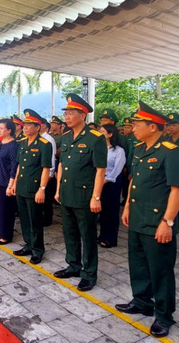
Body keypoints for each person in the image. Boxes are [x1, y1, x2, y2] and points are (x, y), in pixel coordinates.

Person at [116, 101, 179, 338]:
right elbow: (134, 181)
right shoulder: (139, 148)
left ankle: (164, 315)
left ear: (153, 126)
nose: (133, 127)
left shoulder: (171, 151)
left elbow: (176, 190)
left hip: (158, 221)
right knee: (137, 263)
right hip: (137, 216)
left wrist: (167, 222)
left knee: (161, 270)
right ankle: (141, 301)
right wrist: (126, 207)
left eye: (137, 124)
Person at [54, 93, 107, 292]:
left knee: (88, 235)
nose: (66, 117)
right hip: (67, 193)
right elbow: (61, 165)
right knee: (70, 232)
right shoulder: (67, 138)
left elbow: (101, 170)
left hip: (85, 196)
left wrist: (96, 197)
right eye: (65, 113)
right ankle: (73, 265)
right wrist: (58, 189)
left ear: (83, 115)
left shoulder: (95, 139)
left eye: (70, 113)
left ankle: (89, 273)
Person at [11, 109, 52, 263]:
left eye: (29, 125)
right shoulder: (22, 143)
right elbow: (20, 166)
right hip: (22, 186)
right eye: (25, 124)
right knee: (24, 219)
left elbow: (46, 168)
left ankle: (38, 249)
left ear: (38, 126)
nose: (25, 127)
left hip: (34, 188)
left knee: (35, 220)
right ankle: (28, 244)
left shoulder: (44, 145)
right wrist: (15, 183)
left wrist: (42, 189)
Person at [0, 119, 19, 244]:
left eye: (2, 128)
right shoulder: (1, 143)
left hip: (7, 181)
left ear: (9, 130)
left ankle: (6, 235)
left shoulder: (13, 145)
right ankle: (0, 231)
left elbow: (14, 166)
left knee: (7, 209)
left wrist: (11, 184)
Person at [98, 124, 126, 248]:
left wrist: (106, 180)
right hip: (99, 182)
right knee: (102, 211)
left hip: (112, 183)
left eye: (102, 132)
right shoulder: (99, 148)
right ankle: (102, 235)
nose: (100, 133)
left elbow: (117, 168)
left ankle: (111, 238)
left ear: (110, 134)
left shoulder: (118, 150)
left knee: (111, 211)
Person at [39, 120, 58, 226]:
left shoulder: (49, 139)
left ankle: (47, 219)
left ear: (45, 126)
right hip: (39, 173)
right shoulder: (38, 138)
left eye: (41, 124)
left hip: (47, 173)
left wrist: (50, 173)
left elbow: (52, 157)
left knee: (47, 198)